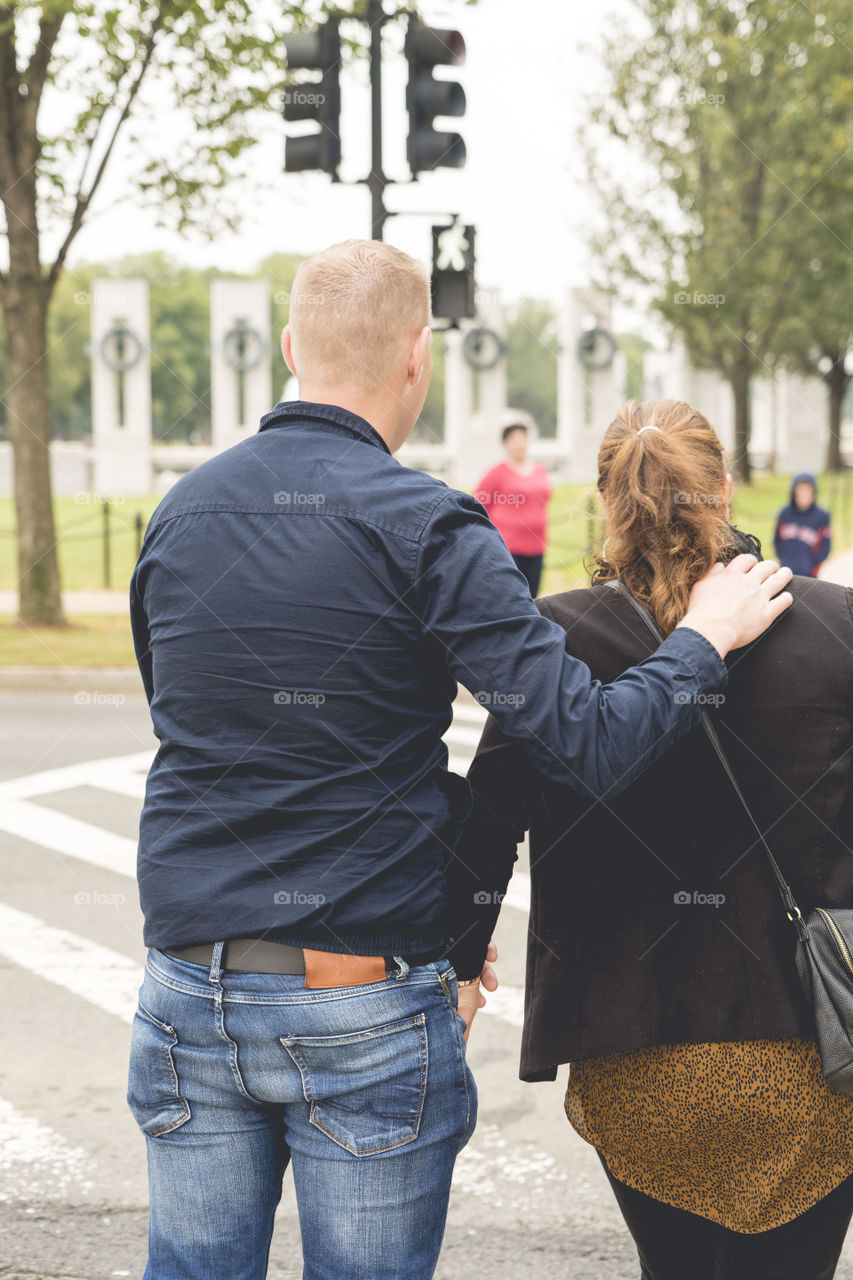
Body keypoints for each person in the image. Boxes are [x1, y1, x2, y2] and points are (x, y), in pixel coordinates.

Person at [127, 242, 790, 1280]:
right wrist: (702, 637)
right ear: (417, 357)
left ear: (292, 348)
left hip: (183, 990)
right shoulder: (428, 527)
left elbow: (191, 722)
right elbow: (585, 739)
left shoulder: (179, 515)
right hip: (360, 999)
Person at [451, 399, 853, 1280]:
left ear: (607, 503)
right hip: (816, 1047)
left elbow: (486, 824)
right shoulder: (836, 626)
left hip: (633, 1047)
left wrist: (457, 961)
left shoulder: (555, 641)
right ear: (724, 490)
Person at [475, 422, 552, 595]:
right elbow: (478, 504)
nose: (519, 444)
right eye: (514, 439)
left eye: (522, 438)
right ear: (506, 444)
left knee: (533, 596)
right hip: (508, 548)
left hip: (537, 545)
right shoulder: (497, 472)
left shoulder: (540, 470)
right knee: (511, 595)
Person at [774, 472, 831, 576]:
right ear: (794, 491)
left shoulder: (822, 516)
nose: (803, 493)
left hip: (809, 574)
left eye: (807, 489)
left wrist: (813, 566)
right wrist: (783, 559)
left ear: (813, 492)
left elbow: (825, 546)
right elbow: (777, 540)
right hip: (786, 571)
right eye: (800, 489)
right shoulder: (785, 513)